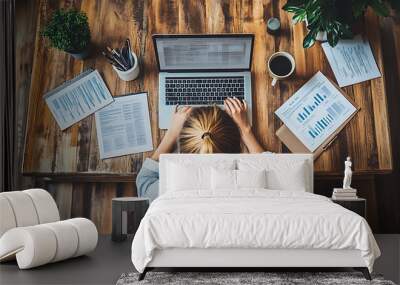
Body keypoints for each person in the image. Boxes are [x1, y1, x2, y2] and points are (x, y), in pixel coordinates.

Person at [136, 97, 265, 202]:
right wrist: (245, 130)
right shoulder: (249, 185)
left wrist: (171, 134)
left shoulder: (165, 191)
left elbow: (145, 179)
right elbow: (272, 168)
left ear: (182, 149)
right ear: (237, 147)